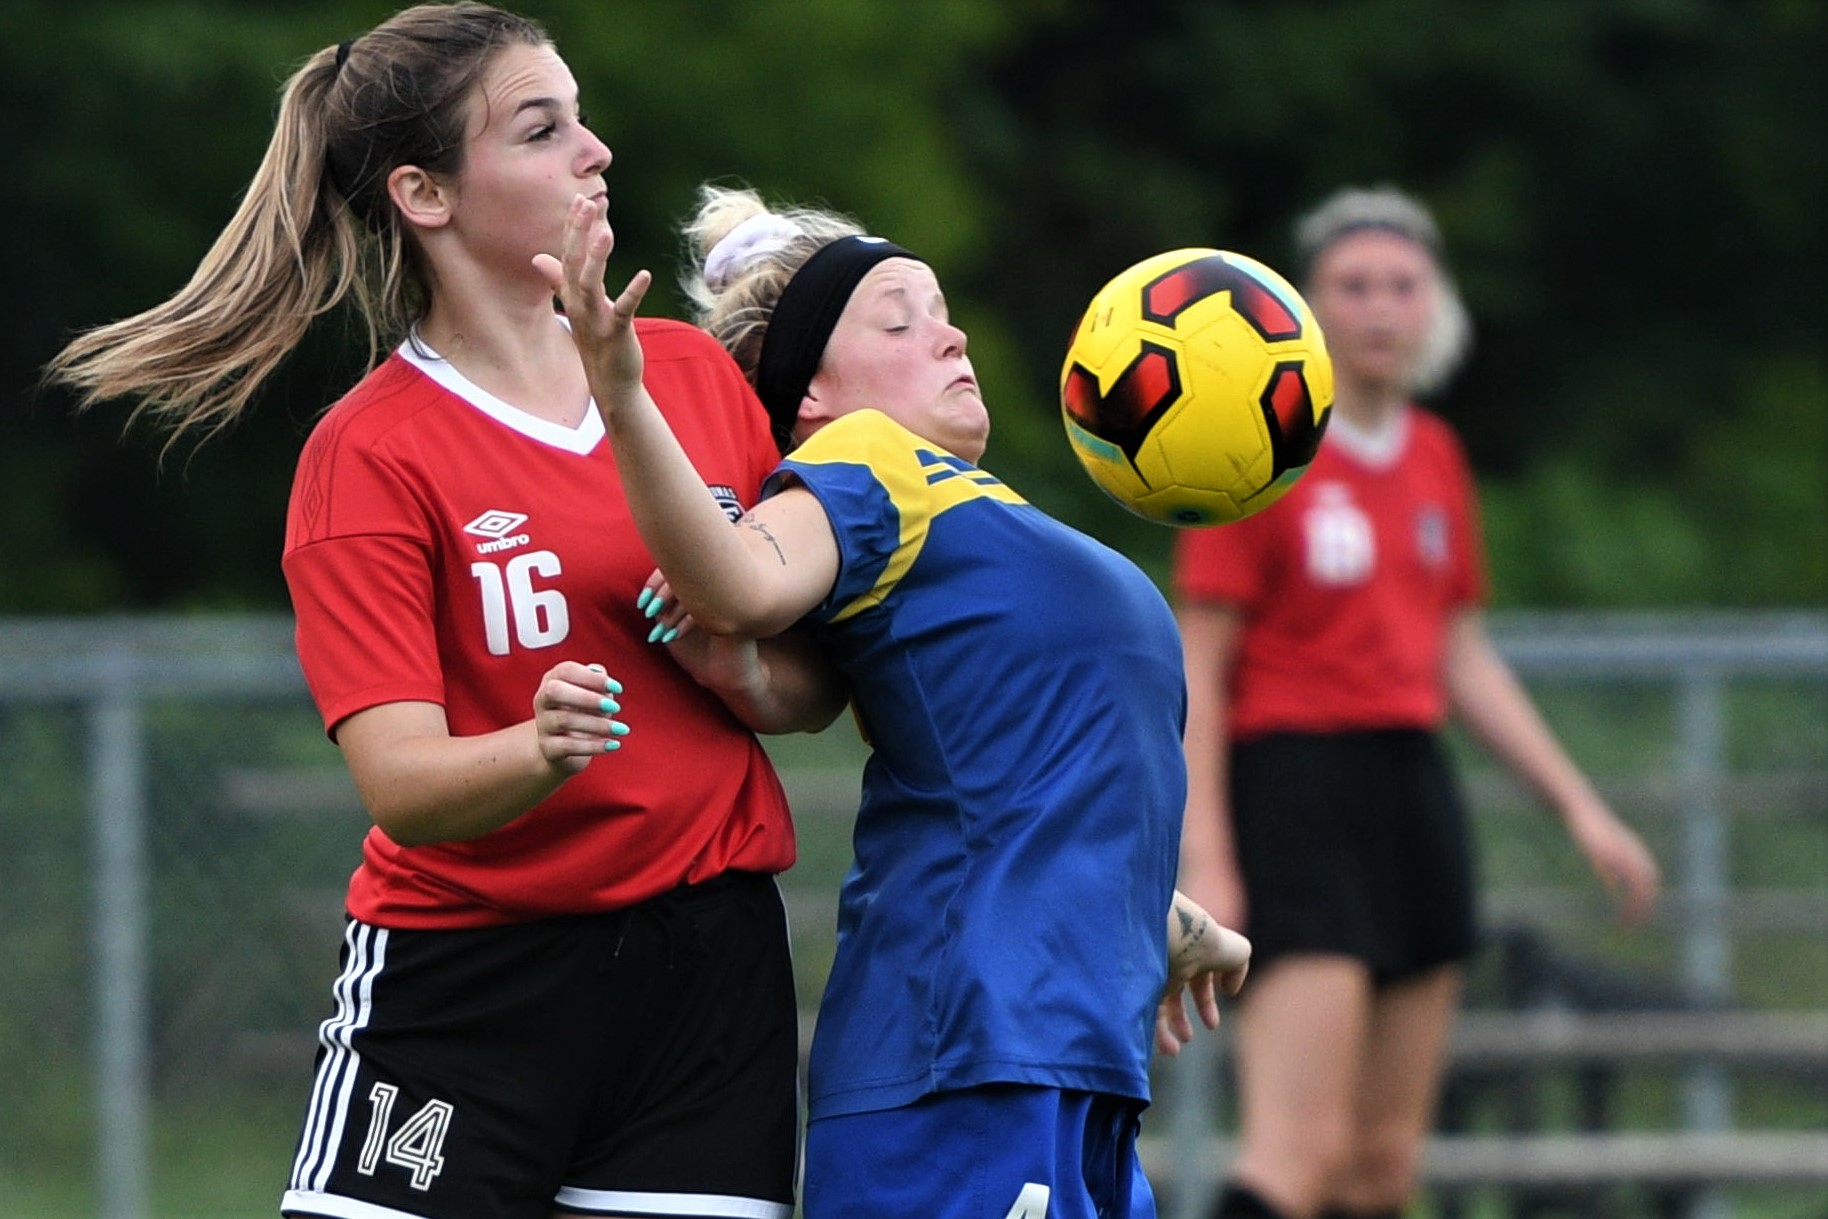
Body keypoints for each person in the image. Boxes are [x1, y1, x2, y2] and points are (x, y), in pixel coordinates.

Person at [43, 6, 846, 1218]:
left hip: (704, 982)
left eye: (581, 119)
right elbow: (403, 781)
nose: (596, 153)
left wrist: (746, 676)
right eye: (542, 128)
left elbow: (813, 684)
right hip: (469, 987)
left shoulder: (690, 378)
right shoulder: (369, 454)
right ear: (425, 192)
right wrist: (537, 747)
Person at [535, 182, 1252, 1217]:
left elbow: (1018, 790)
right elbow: (735, 581)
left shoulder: (970, 516)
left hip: (1068, 1056)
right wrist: (622, 389)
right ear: (814, 396)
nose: (948, 333)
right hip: (966, 1052)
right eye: (899, 318)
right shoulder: (860, 463)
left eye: (942, 309)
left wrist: (1167, 920)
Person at [1171, 185, 1664, 1219]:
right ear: (1306, 307)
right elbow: (1197, 661)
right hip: (1294, 793)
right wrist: (1206, 851)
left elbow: (1459, 653)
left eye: (1402, 285)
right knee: (1295, 1157)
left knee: (1383, 1166)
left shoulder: (1434, 454)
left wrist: (1577, 805)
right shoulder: (1254, 448)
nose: (1380, 308)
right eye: (1353, 285)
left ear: (1434, 303)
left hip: (1411, 790)